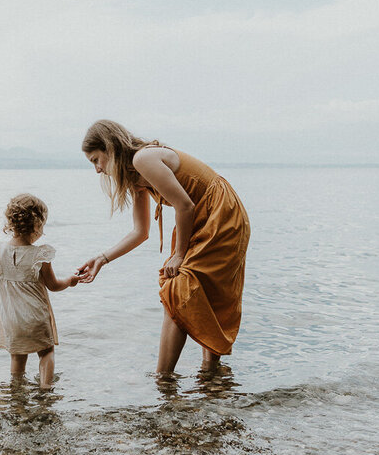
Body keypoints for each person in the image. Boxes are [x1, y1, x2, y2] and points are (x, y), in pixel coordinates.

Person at [77, 120, 250, 374]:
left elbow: (185, 206)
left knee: (178, 288)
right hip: (203, 217)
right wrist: (102, 259)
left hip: (220, 215)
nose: (97, 170)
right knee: (197, 289)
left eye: (96, 160)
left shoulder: (143, 159)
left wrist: (179, 255)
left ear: (110, 148)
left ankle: (163, 379)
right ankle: (210, 373)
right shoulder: (135, 176)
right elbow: (140, 232)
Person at [0, 193, 79, 389]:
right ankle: (46, 389)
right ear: (37, 225)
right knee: (46, 352)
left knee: (18, 357)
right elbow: (53, 285)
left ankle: (17, 392)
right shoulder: (40, 254)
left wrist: (4, 272)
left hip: (10, 318)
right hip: (35, 317)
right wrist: (70, 281)